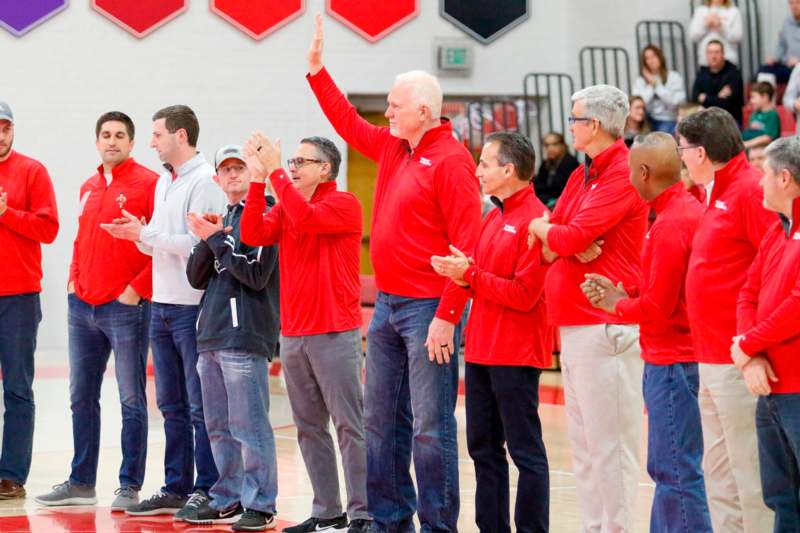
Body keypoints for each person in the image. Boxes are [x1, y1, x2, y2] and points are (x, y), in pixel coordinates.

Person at [305, 15, 481, 533]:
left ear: (423, 111)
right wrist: (318, 72)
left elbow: (467, 246)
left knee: (430, 426)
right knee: (381, 422)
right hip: (388, 306)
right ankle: (388, 521)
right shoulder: (393, 146)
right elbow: (347, 125)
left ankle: (438, 525)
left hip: (430, 309)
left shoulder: (451, 162)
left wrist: (448, 315)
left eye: (394, 106)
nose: (386, 113)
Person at [527, 85, 649, 532]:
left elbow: (565, 237)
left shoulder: (623, 172)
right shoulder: (582, 175)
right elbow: (553, 238)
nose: (571, 125)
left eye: (575, 119)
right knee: (584, 450)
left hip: (606, 327)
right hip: (577, 324)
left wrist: (552, 233)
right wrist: (552, 232)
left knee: (611, 449)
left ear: (593, 125)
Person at [581, 132, 712, 533]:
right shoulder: (677, 212)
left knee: (674, 469)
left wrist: (615, 305)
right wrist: (626, 292)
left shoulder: (672, 223)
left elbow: (659, 308)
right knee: (670, 468)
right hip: (672, 356)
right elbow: (662, 290)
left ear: (642, 172)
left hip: (673, 358)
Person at [240, 134, 370, 533]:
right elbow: (252, 235)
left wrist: (276, 171)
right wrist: (258, 181)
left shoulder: (343, 203)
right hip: (294, 333)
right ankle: (328, 509)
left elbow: (306, 219)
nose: (293, 167)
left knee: (349, 425)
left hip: (334, 331)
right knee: (309, 427)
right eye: (291, 161)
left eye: (301, 161)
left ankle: (364, 512)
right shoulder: (286, 204)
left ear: (325, 169)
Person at [101, 105, 226, 517]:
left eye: (157, 134)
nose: (152, 141)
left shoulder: (205, 182)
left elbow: (198, 246)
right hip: (163, 304)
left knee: (197, 405)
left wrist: (147, 233)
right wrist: (135, 235)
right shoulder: (165, 183)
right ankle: (176, 485)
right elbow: (159, 240)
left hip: (192, 307)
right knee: (170, 404)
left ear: (181, 137)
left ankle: (206, 487)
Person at [34, 112, 157, 511]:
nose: (112, 141)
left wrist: (137, 290)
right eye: (105, 135)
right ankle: (81, 481)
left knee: (131, 399)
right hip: (81, 305)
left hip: (124, 308)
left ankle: (129, 485)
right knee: (80, 396)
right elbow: (81, 239)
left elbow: (164, 245)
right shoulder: (89, 185)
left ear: (132, 142)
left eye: (120, 135)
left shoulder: (150, 184)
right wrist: (73, 279)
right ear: (97, 141)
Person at [432, 131, 551, 533]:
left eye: (484, 163)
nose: (478, 170)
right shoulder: (493, 215)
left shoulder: (537, 220)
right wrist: (460, 273)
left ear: (508, 169)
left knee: (525, 452)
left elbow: (524, 294)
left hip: (516, 352)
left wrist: (471, 275)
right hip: (482, 349)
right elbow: (478, 278)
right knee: (482, 448)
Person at [677, 107, 775, 533]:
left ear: (700, 152)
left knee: (749, 473)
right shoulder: (716, 191)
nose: (680, 157)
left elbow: (775, 267)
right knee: (719, 473)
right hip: (709, 354)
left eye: (682, 149)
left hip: (738, 357)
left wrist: (754, 346)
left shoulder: (752, 190)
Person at [182, 144, 280, 531]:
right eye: (227, 170)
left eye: (240, 168)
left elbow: (256, 274)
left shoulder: (266, 214)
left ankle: (261, 502)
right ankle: (228, 496)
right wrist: (209, 238)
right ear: (217, 178)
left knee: (249, 424)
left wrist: (218, 241)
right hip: (211, 335)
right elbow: (195, 277)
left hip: (245, 334)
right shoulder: (223, 217)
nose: (234, 175)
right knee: (218, 425)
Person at [734, 135, 800, 532]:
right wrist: (752, 354)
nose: (758, 182)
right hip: (769, 385)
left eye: (764, 174)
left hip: (796, 386)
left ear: (786, 178)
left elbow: (797, 305)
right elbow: (748, 293)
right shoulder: (777, 231)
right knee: (780, 498)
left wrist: (746, 344)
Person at [0, 100, 59, 499]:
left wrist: (6, 213)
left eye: (4, 127)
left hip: (18, 298)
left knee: (18, 388)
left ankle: (11, 474)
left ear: (13, 130)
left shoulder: (32, 171)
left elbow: (48, 229)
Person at [633, 45, 687, 132]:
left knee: (660, 141)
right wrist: (651, 85)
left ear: (660, 57)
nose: (651, 60)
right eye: (647, 58)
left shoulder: (674, 77)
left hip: (667, 119)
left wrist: (656, 85)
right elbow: (639, 103)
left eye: (653, 56)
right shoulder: (640, 80)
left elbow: (675, 102)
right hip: (646, 119)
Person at [692, 40, 745, 125]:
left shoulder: (734, 74)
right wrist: (718, 97)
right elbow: (694, 98)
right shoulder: (702, 73)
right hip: (706, 119)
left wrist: (706, 98)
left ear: (723, 54)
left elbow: (728, 104)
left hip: (729, 120)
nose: (713, 56)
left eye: (717, 52)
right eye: (710, 52)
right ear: (706, 55)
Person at [689, 0, 743, 67]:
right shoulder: (700, 11)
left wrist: (721, 26)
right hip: (705, 62)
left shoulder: (734, 11)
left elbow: (737, 37)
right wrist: (705, 25)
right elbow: (693, 36)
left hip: (728, 60)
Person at [533, 132, 579, 208]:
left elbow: (560, 189)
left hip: (564, 204)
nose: (550, 148)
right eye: (547, 145)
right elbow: (537, 186)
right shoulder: (545, 164)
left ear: (562, 145)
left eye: (554, 144)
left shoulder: (570, 163)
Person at [758, 0, 800, 84]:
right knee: (763, 70)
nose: (794, 6)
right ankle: (766, 97)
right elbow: (781, 44)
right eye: (791, 3)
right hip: (787, 65)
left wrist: (798, 61)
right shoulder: (787, 22)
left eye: (797, 2)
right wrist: (775, 58)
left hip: (798, 67)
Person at [743, 82, 780, 150]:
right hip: (751, 152)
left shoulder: (772, 115)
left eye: (753, 97)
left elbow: (768, 138)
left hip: (764, 153)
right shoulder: (754, 115)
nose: (751, 101)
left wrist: (746, 144)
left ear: (765, 97)